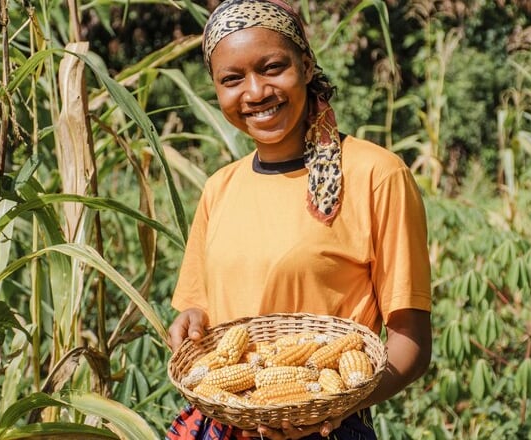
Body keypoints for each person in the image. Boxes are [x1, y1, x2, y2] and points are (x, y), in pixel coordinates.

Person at [166, 0, 432, 438]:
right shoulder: (219, 188)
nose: (255, 92)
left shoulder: (375, 175)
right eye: (232, 79)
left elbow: (411, 342)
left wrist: (327, 406)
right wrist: (190, 323)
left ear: (306, 65)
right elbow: (203, 310)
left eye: (272, 67)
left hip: (329, 428)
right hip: (223, 424)